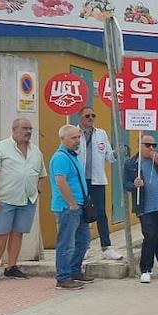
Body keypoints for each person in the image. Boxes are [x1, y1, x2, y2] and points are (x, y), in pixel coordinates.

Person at [0, 118, 45, 283]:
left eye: (30, 128)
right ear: (14, 130)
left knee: (18, 233)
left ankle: (12, 267)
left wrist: (37, 190)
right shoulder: (0, 148)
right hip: (5, 198)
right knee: (0, 233)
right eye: (25, 128)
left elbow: (41, 174)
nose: (28, 132)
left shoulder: (35, 151)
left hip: (27, 199)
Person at [125, 135, 158, 282]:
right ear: (139, 145)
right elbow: (126, 184)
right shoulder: (131, 164)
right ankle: (146, 269)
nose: (151, 148)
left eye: (154, 145)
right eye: (147, 145)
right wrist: (134, 184)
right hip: (145, 207)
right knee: (150, 237)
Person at [48, 124, 93, 290]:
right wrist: (72, 203)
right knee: (66, 243)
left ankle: (75, 270)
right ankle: (63, 277)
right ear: (63, 139)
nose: (77, 141)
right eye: (73, 138)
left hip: (78, 206)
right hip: (68, 207)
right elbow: (61, 181)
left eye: (78, 137)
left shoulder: (72, 156)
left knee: (83, 240)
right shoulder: (60, 157)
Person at [77, 106, 119, 260]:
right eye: (87, 115)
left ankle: (106, 247)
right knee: (82, 213)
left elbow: (109, 156)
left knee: (101, 213)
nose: (90, 118)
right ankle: (84, 246)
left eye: (93, 115)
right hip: (79, 181)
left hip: (97, 180)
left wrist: (117, 152)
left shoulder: (101, 134)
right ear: (80, 116)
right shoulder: (73, 133)